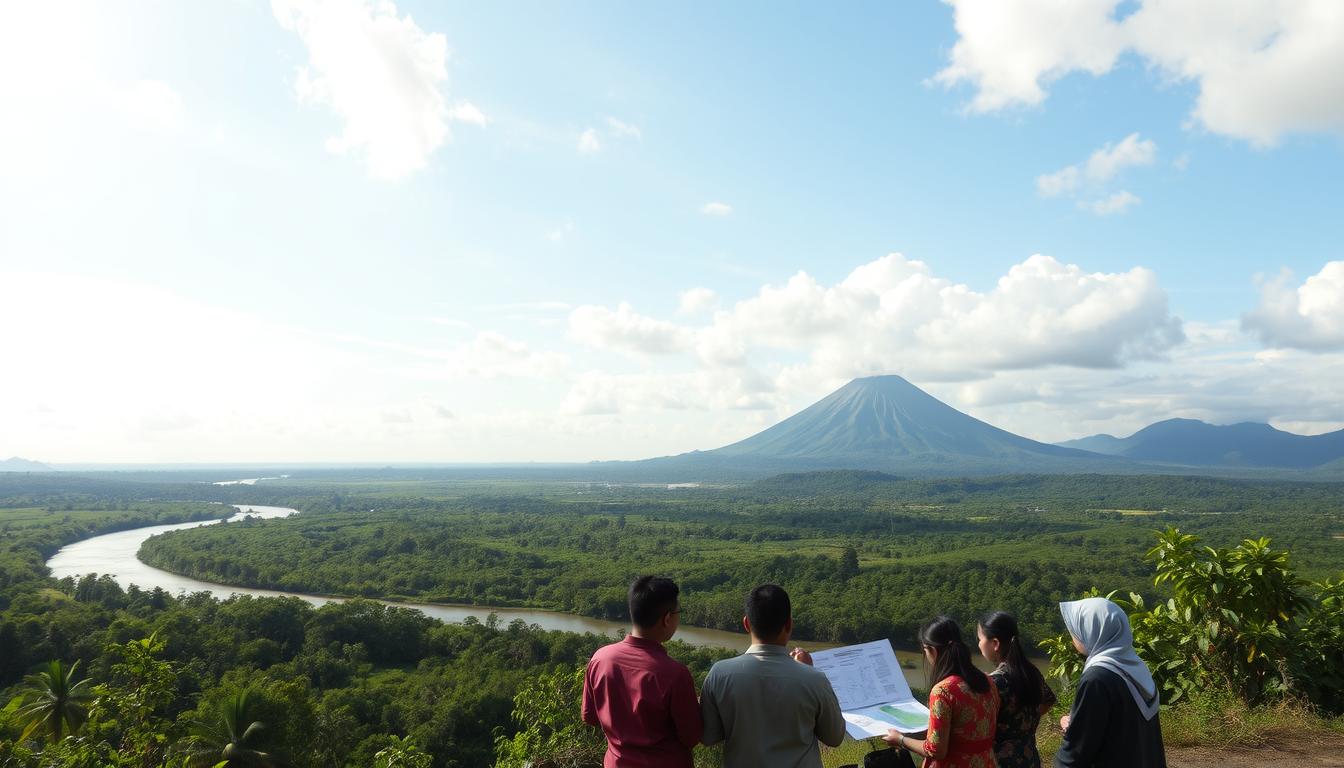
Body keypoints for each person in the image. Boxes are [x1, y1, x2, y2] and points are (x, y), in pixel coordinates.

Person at [699, 584, 845, 768]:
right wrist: (805, 670)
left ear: (746, 623)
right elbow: (835, 737)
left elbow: (709, 737)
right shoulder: (814, 679)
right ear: (789, 624)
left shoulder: (719, 674)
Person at [582, 576, 702, 768]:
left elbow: (590, 717)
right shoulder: (674, 674)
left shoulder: (600, 659)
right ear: (667, 618)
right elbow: (691, 737)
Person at [1053, 597, 1166, 768]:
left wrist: (1075, 730)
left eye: (1076, 629)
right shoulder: (1135, 666)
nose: (1073, 635)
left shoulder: (1097, 677)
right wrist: (1078, 723)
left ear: (1092, 630)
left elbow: (1075, 753)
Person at [883, 616, 999, 768]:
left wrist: (900, 740)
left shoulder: (943, 691)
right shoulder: (987, 681)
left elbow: (936, 750)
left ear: (932, 650)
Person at [977, 611, 1056, 768]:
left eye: (980, 639)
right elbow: (1048, 700)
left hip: (1000, 761)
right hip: (1029, 758)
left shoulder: (995, 681)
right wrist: (1026, 721)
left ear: (995, 644)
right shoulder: (1031, 671)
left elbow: (979, 724)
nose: (978, 644)